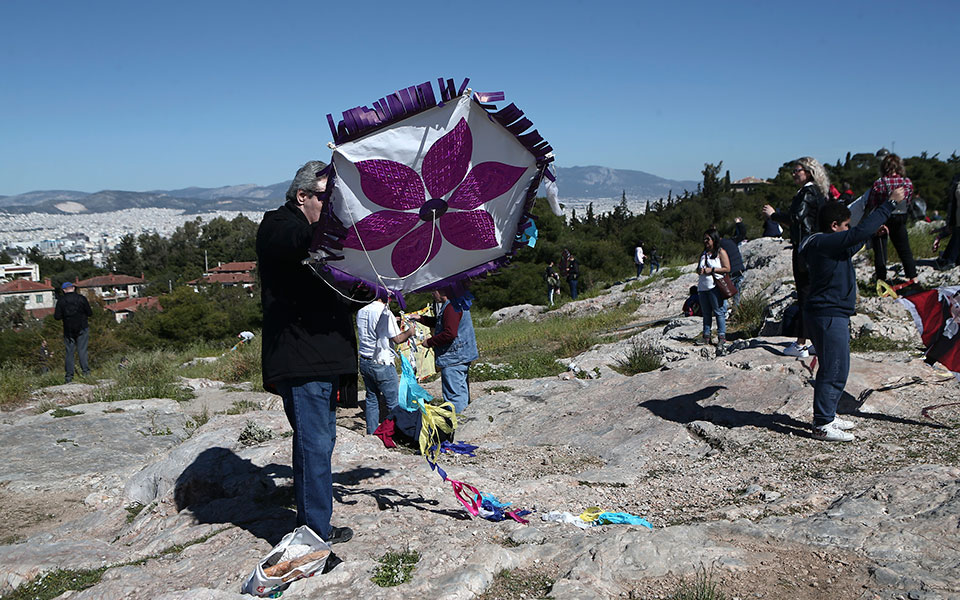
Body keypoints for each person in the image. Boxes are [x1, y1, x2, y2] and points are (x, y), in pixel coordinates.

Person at [256, 160, 358, 545]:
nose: (331, 207)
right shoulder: (279, 227)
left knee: (321, 442)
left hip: (325, 356)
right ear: (302, 196)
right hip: (301, 358)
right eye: (326, 198)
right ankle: (315, 530)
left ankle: (316, 522)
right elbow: (295, 246)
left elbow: (340, 296)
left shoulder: (318, 237)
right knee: (314, 444)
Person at [799, 189, 906, 441]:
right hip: (827, 314)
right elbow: (855, 234)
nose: (849, 229)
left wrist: (869, 237)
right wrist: (889, 204)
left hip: (832, 313)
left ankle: (828, 414)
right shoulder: (819, 242)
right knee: (832, 368)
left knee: (839, 367)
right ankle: (821, 424)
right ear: (834, 226)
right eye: (846, 225)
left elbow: (851, 244)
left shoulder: (829, 245)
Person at [762, 157, 830, 358]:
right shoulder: (818, 193)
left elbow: (796, 219)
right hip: (816, 248)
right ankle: (817, 341)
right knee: (814, 296)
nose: (793, 174)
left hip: (804, 249)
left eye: (797, 170)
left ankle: (801, 343)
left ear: (808, 172)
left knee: (804, 296)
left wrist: (774, 215)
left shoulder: (806, 193)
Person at [410, 288, 479, 414]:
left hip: (453, 358)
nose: (432, 293)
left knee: (454, 396)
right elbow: (442, 322)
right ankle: (464, 419)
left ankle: (457, 424)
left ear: (442, 291)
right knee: (461, 392)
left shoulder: (451, 307)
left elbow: (450, 333)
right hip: (461, 355)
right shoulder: (456, 303)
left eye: (433, 290)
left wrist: (429, 342)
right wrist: (420, 318)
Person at [356, 295, 415, 434]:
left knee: (371, 399)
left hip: (365, 359)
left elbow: (375, 327)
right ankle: (397, 434)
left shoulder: (362, 310)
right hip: (382, 361)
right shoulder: (385, 313)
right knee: (393, 402)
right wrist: (410, 332)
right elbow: (398, 338)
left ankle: (372, 433)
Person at [865, 153, 918, 285]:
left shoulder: (879, 183)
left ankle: (881, 279)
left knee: (880, 252)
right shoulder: (907, 183)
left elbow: (873, 204)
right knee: (904, 249)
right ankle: (912, 277)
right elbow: (908, 200)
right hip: (900, 218)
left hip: (883, 218)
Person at [696, 228, 731, 354]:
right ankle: (706, 335)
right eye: (704, 239)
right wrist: (700, 271)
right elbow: (698, 268)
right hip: (703, 287)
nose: (705, 241)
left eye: (708, 239)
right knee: (706, 313)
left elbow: (727, 268)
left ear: (713, 239)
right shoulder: (704, 253)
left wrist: (712, 270)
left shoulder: (720, 252)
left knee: (718, 311)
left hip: (714, 287)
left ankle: (722, 336)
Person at [54, 281, 92, 383]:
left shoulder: (61, 301)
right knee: (82, 351)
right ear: (73, 288)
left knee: (69, 352)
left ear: (64, 290)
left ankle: (69, 376)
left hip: (68, 330)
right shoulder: (81, 299)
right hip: (82, 328)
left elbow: (57, 317)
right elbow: (90, 313)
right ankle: (86, 373)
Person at [935, 175, 960, 270]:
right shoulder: (957, 182)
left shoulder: (956, 182)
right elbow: (953, 204)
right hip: (957, 218)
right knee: (957, 236)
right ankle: (949, 259)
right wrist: (950, 223)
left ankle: (950, 259)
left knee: (957, 236)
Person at [719, 234, 745, 311]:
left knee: (723, 292)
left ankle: (723, 311)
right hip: (739, 270)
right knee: (737, 293)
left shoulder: (720, 246)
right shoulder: (730, 241)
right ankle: (735, 311)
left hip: (731, 271)